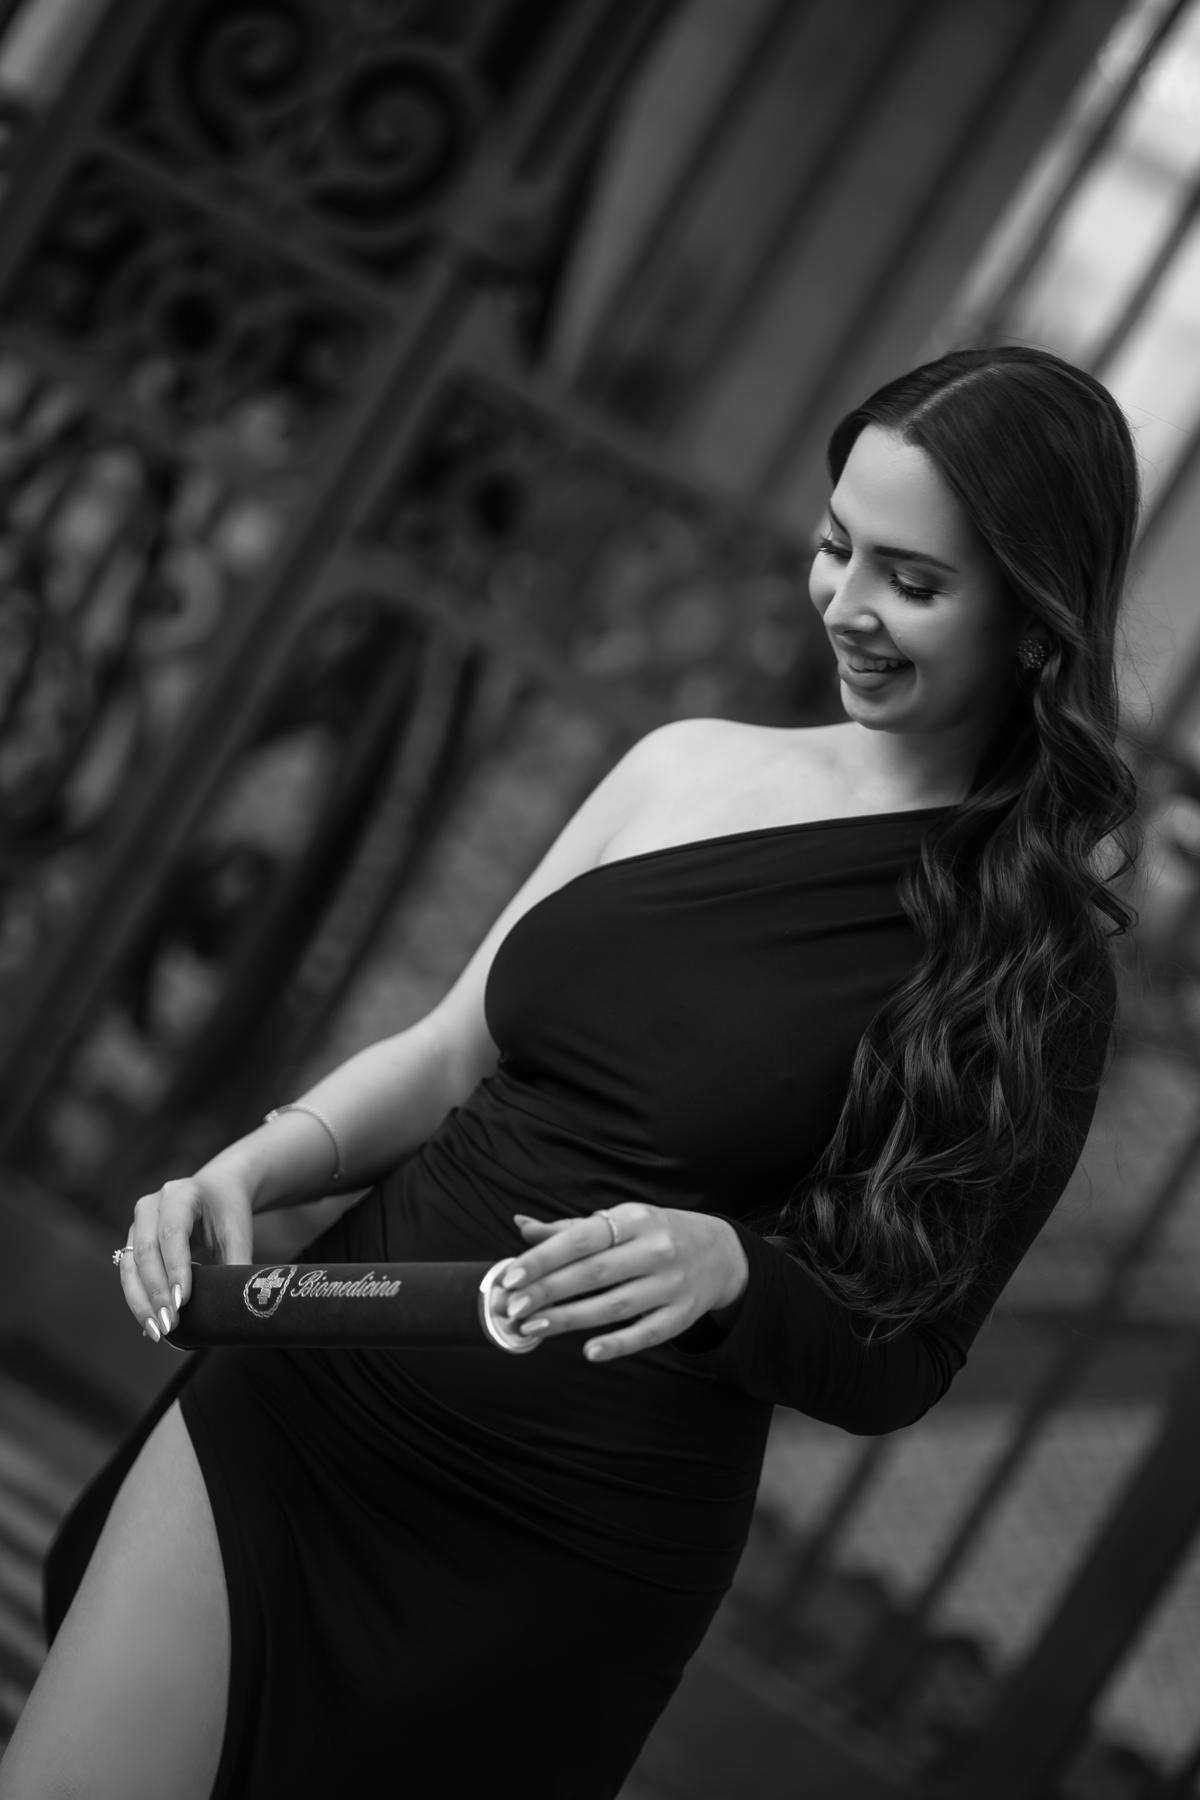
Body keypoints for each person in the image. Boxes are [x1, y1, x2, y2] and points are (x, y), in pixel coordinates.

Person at [1, 345, 1138, 1800]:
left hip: (562, 1549)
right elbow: (449, 1050)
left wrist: (732, 1273)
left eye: (912, 582)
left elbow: (901, 1360)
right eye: (835, 545)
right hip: (314, 1388)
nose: (846, 605)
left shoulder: (1032, 969)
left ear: (1036, 621)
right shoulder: (681, 766)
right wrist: (253, 1165)